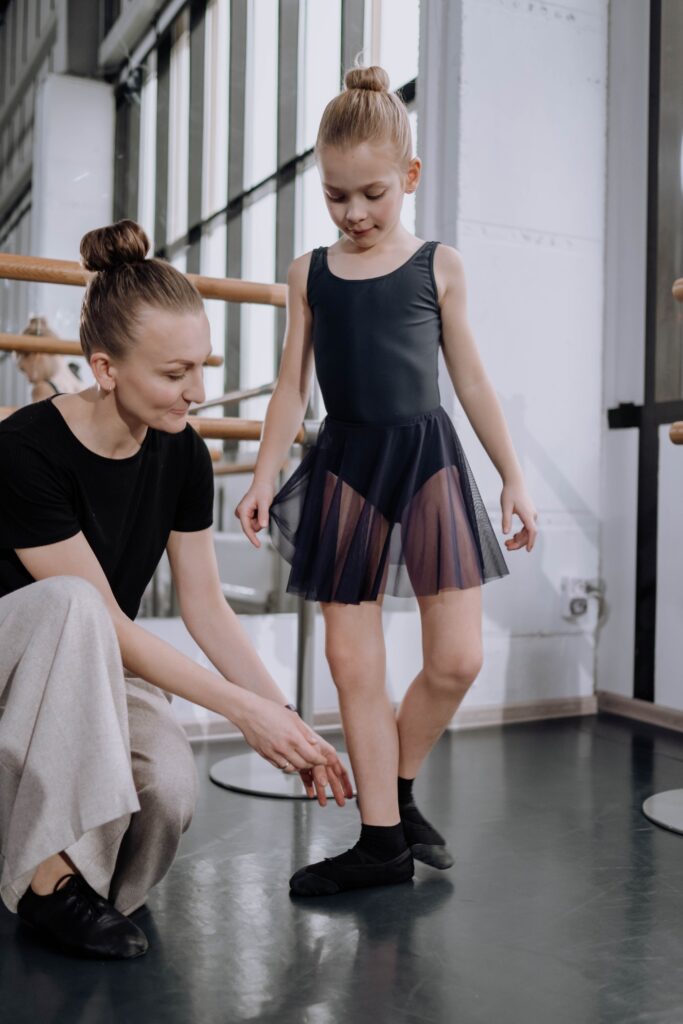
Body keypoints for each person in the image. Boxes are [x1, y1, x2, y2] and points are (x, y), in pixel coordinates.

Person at [0, 219, 351, 959]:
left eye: (202, 366)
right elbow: (97, 618)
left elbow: (205, 606)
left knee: (165, 791)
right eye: (173, 374)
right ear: (104, 369)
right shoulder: (24, 451)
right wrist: (240, 713)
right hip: (19, 654)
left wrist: (283, 719)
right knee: (74, 604)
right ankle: (47, 885)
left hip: (95, 659)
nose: (196, 392)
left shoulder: (181, 450)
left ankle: (70, 880)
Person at [235, 66, 537, 897]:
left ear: (406, 178)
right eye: (336, 197)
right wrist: (264, 477)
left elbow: (468, 380)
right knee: (350, 662)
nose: (355, 214)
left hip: (427, 462)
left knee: (457, 659)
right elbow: (291, 387)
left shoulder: (438, 265)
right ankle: (379, 843)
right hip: (345, 467)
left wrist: (512, 478)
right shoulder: (310, 276)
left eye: (371, 194)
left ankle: (393, 796)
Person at [15, 315, 82, 400]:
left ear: (36, 355)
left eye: (24, 370)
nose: (28, 380)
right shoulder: (76, 379)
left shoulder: (42, 390)